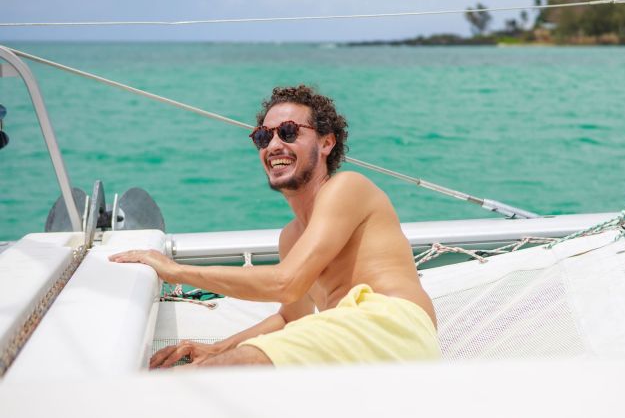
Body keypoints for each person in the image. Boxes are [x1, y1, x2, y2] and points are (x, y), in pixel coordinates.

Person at [110, 85, 440, 367]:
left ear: (327, 142)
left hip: (392, 325)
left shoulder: (348, 187)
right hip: (350, 337)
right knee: (210, 369)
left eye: (289, 132)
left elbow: (286, 283)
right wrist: (218, 348)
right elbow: (290, 317)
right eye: (263, 136)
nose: (274, 145)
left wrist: (176, 271)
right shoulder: (292, 237)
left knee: (206, 377)